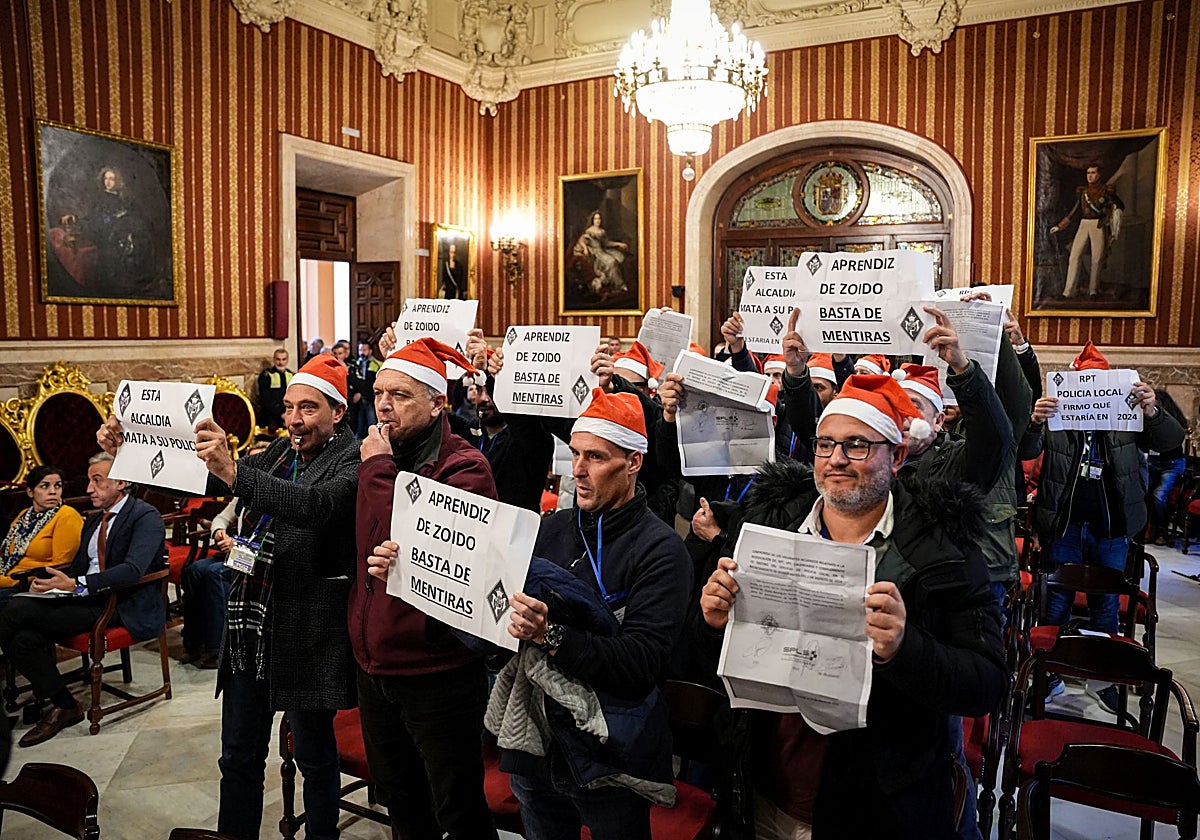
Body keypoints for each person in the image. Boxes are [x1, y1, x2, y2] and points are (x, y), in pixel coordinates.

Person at [698, 374, 1006, 838]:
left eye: (858, 445)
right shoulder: (767, 525)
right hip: (763, 788)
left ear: (898, 455)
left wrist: (905, 649)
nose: (836, 459)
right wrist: (712, 622)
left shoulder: (943, 551)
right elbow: (713, 662)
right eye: (825, 445)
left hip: (876, 804)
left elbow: (986, 684)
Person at [100, 354, 360, 839]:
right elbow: (206, 478)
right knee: (238, 756)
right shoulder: (282, 453)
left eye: (308, 408)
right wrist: (129, 451)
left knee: (315, 758)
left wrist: (234, 470)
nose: (294, 420)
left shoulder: (353, 460)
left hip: (306, 632)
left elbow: (314, 506)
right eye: (288, 408)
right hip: (251, 629)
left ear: (338, 413)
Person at [495, 387, 692, 839]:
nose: (578, 471)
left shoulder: (662, 550)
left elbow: (640, 663)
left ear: (634, 462)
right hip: (538, 739)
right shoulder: (551, 529)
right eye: (575, 454)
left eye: (596, 458)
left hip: (613, 754)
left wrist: (551, 635)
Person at [355, 338, 500, 839]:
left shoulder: (465, 468)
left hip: (437, 668)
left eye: (401, 395)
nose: (384, 406)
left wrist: (375, 468)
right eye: (378, 393)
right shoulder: (379, 452)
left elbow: (409, 529)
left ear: (438, 402)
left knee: (457, 808)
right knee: (401, 801)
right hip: (376, 665)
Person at [1021, 341, 1184, 710]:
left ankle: (1102, 675)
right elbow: (1027, 452)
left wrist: (1153, 410)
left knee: (1105, 603)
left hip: (1112, 527)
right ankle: (1049, 676)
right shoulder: (1058, 417)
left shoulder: (1128, 417)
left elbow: (1171, 442)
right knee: (1055, 604)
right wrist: (1033, 423)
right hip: (1064, 525)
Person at [0, 453, 166, 748]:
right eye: (89, 481)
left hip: (118, 603)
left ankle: (56, 702)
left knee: (14, 608)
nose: (89, 489)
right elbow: (78, 567)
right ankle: (64, 704)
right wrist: (53, 585)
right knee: (22, 637)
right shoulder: (93, 520)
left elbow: (132, 570)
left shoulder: (145, 516)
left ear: (121, 482)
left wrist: (77, 584)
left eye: (97, 481)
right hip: (82, 597)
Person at [180, 441, 272, 669]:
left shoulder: (274, 495)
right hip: (237, 553)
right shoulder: (242, 494)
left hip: (260, 560)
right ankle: (193, 642)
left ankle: (217, 649)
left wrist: (236, 545)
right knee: (194, 570)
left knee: (214, 573)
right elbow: (222, 518)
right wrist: (220, 532)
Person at [0, 465, 84, 609]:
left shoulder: (67, 516)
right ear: (30, 492)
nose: (52, 492)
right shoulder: (24, 515)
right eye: (45, 486)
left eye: (57, 486)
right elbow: (6, 552)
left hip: (30, 584)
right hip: (7, 577)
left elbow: (60, 566)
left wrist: (11, 581)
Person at [1051, 164, 1125, 300]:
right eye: (1088, 173)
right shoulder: (1083, 192)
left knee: (1097, 259)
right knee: (1074, 256)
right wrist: (1060, 226)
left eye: (1093, 173)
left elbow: (1119, 206)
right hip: (1083, 224)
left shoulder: (1106, 190)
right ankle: (1068, 292)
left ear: (1099, 175)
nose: (1090, 176)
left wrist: (1110, 208)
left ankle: (1093, 291)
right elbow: (1075, 211)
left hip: (1098, 224)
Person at [573, 210, 629, 296]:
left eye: (599, 219)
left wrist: (618, 244)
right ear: (592, 220)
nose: (597, 221)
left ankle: (615, 285)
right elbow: (581, 240)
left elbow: (606, 243)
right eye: (595, 219)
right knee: (611, 262)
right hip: (595, 254)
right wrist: (585, 248)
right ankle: (619, 285)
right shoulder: (590, 231)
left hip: (602, 251)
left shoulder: (602, 231)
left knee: (620, 257)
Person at [256, 348, 293, 428]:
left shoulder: (291, 375)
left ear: (287, 360)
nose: (281, 363)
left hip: (288, 414)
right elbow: (265, 399)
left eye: (284, 359)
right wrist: (281, 414)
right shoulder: (266, 375)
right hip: (271, 416)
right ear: (274, 360)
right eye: (278, 359)